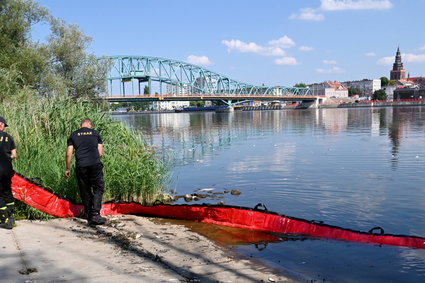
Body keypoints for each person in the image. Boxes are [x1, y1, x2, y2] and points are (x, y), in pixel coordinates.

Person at [65, 118, 107, 225]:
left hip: (81, 166)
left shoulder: (73, 135)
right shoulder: (95, 133)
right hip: (94, 165)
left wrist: (68, 168)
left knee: (85, 189)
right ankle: (95, 214)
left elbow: (69, 154)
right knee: (98, 188)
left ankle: (88, 213)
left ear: (81, 125)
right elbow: (100, 153)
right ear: (90, 124)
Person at [0, 116, 17, 230]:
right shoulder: (9, 137)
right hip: (7, 169)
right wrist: (6, 158)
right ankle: (11, 217)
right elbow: (14, 155)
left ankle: (4, 220)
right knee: (7, 191)